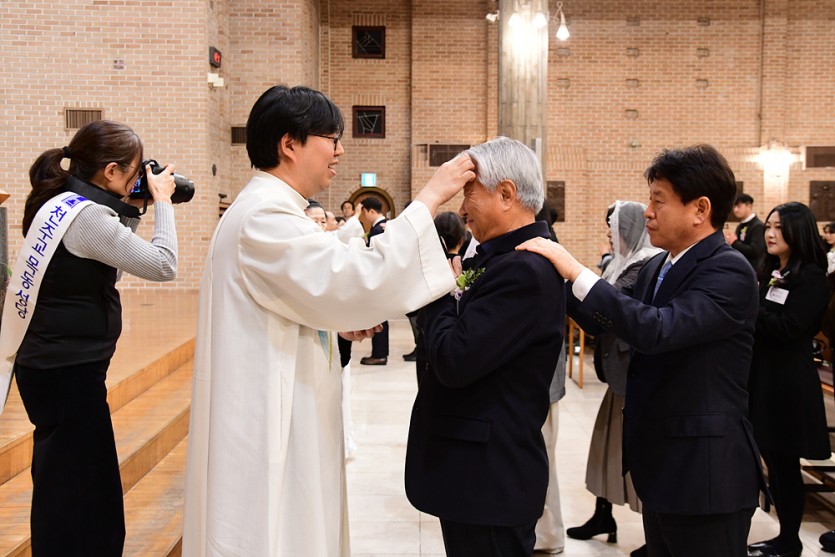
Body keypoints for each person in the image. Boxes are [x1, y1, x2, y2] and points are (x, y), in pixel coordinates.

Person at [182, 85, 475, 557]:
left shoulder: (276, 211)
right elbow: (355, 277)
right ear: (289, 144)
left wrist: (333, 322)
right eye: (332, 139)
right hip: (266, 418)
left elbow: (306, 293)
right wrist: (428, 199)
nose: (340, 151)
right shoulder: (263, 217)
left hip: (285, 400)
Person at [518, 144, 763, 557]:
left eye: (658, 201)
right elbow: (607, 318)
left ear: (700, 209)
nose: (647, 212)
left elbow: (658, 329)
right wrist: (550, 276)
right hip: (663, 464)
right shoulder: (658, 266)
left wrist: (575, 269)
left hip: (705, 471)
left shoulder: (728, 269)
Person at [2, 120, 178, 556]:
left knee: (64, 478)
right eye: (135, 171)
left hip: (51, 364)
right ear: (111, 171)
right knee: (85, 491)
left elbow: (108, 265)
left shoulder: (63, 203)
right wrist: (163, 203)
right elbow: (163, 265)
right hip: (69, 370)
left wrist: (131, 209)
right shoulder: (90, 216)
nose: (139, 179)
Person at [405, 136, 565, 556]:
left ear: (506, 194)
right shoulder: (503, 259)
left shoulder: (524, 271)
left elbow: (454, 358)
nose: (461, 210)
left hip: (489, 479)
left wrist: (439, 290)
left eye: (469, 194)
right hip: (473, 475)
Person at [564, 201, 660, 557]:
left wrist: (571, 275)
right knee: (606, 447)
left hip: (635, 374)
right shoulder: (620, 262)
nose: (609, 233)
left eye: (615, 227)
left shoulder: (645, 264)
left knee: (639, 455)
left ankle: (655, 533)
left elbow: (613, 304)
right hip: (618, 373)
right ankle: (602, 514)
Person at [746, 202, 831, 557]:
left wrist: (751, 309)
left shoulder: (810, 276)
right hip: (764, 376)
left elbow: (789, 327)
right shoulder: (772, 270)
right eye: (768, 226)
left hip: (788, 382)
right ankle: (784, 537)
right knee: (772, 462)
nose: (770, 233)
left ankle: (790, 539)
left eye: (779, 227)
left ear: (798, 230)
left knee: (785, 464)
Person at [357, 196, 390, 365]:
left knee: (379, 318)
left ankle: (379, 354)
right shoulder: (387, 226)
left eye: (364, 213)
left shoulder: (378, 230)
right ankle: (380, 353)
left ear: (370, 211)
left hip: (378, 278)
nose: (364, 217)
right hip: (384, 278)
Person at [725, 193, 765, 269]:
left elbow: (755, 251)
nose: (735, 210)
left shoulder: (758, 226)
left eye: (739, 206)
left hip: (753, 269)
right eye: (734, 207)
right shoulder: (740, 226)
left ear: (749, 206)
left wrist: (734, 242)